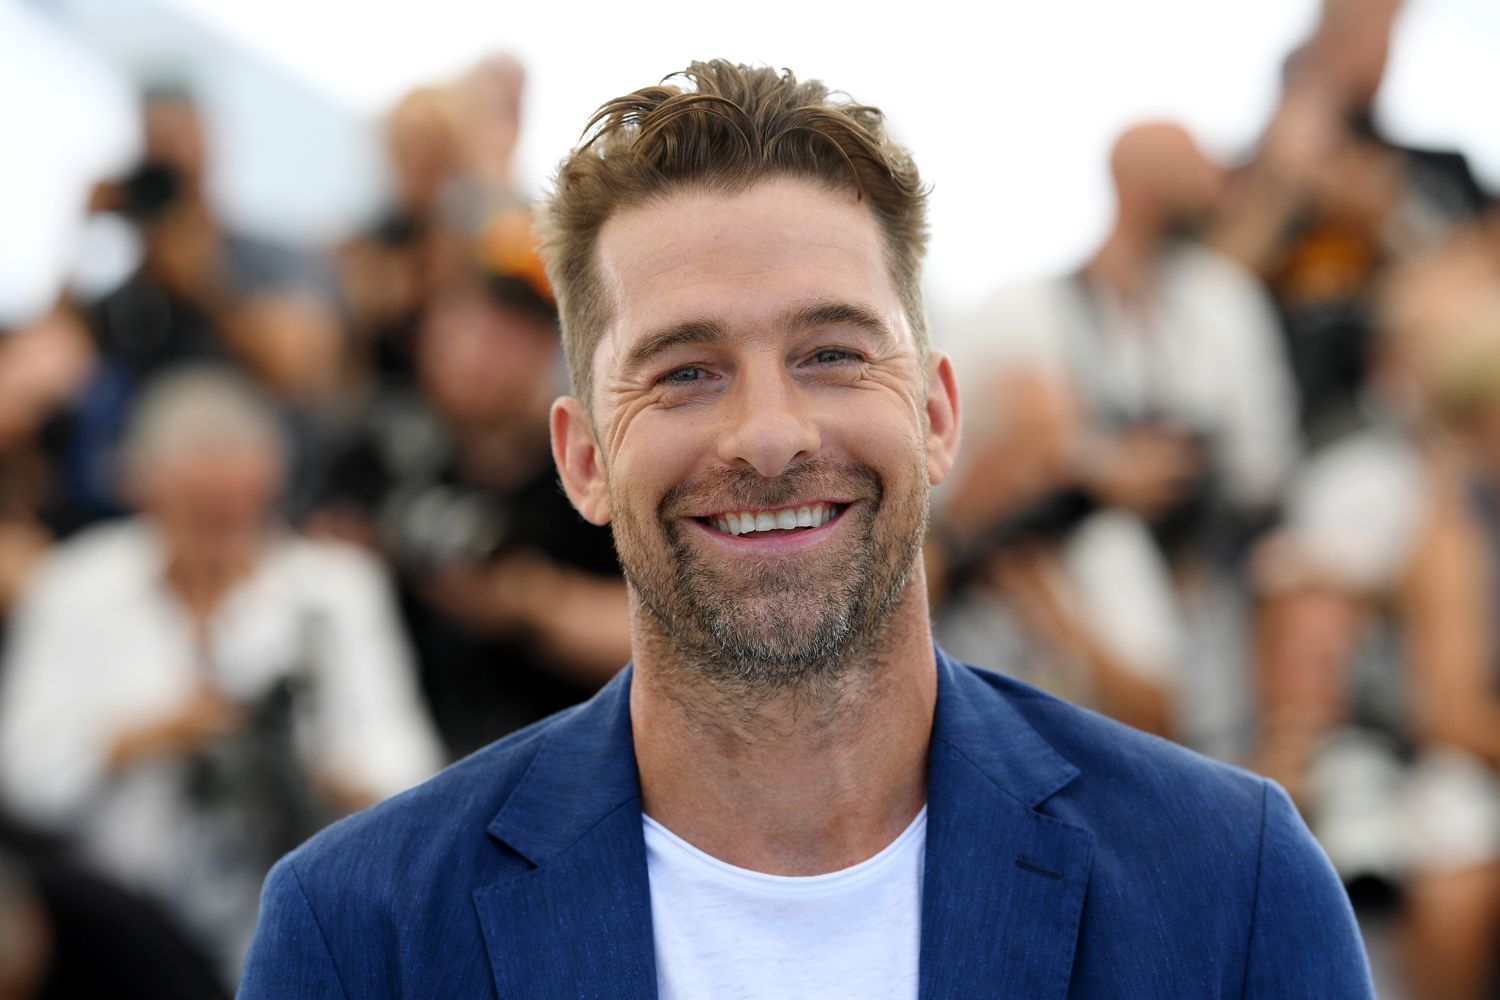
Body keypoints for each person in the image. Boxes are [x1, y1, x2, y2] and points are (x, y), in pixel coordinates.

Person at [239, 60, 1373, 997]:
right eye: (685, 371)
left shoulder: (1231, 886)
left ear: (935, 415)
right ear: (583, 458)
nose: (770, 433)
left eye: (831, 353)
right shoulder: (361, 935)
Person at [0, 368, 443, 978]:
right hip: (114, 923)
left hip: (297, 898)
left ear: (270, 487)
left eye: (239, 505)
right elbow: (26, 777)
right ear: (142, 487)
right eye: (198, 506)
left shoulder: (337, 589)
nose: (221, 525)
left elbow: (408, 767)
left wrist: (317, 778)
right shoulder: (74, 587)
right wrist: (150, 735)